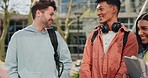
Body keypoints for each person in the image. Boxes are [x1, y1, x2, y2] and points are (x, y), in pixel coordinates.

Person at [5, 0, 72, 78]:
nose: (53, 18)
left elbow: (66, 62)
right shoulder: (18, 37)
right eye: (51, 14)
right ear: (38, 13)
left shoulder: (55, 36)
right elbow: (10, 68)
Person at [80, 0, 138, 78]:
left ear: (114, 9)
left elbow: (125, 68)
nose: (98, 13)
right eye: (97, 10)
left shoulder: (129, 37)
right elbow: (85, 64)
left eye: (101, 9)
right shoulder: (93, 36)